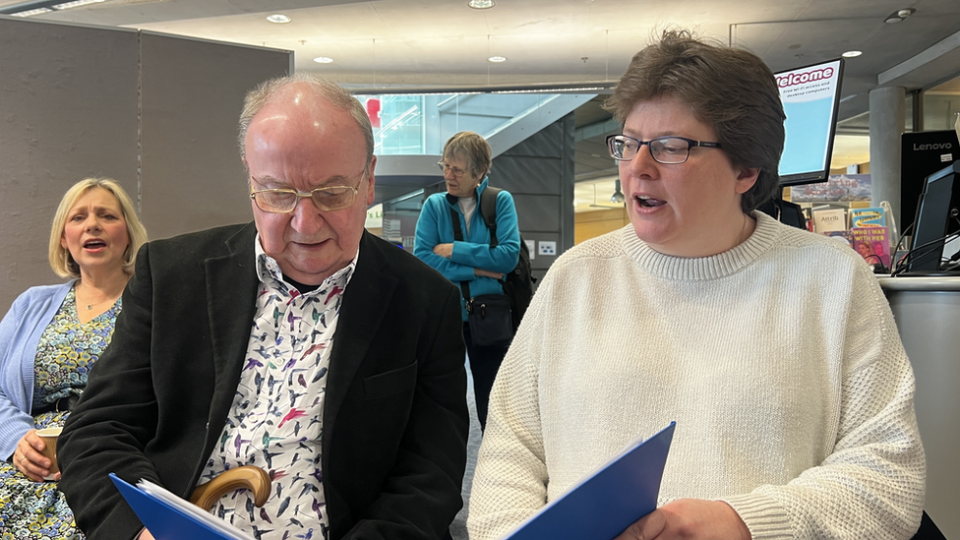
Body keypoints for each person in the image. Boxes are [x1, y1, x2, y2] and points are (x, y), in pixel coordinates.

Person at [468, 30, 925, 540]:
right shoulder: (575, 279)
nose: (636, 168)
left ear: (747, 168)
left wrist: (744, 523)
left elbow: (889, 481)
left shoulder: (834, 282)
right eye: (629, 143)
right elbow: (508, 454)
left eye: (669, 147)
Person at [58, 75, 469, 540]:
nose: (305, 222)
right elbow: (97, 430)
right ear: (249, 177)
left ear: (369, 180)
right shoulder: (172, 274)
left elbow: (431, 475)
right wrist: (142, 530)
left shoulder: (425, 301)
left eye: (332, 194)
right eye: (277, 194)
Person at [0, 178, 147, 539]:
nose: (92, 224)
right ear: (64, 238)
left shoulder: (153, 302)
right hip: (27, 463)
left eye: (107, 216)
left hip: (109, 461)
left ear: (128, 233)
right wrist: (17, 439)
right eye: (78, 217)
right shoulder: (32, 303)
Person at [414, 131, 520, 430]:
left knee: (492, 398)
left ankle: (494, 462)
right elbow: (424, 260)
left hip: (490, 314)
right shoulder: (435, 206)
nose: (448, 174)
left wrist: (455, 250)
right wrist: (479, 270)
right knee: (442, 400)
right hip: (445, 315)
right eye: (445, 166)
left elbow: (508, 257)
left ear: (479, 172)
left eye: (457, 169)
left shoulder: (499, 202)